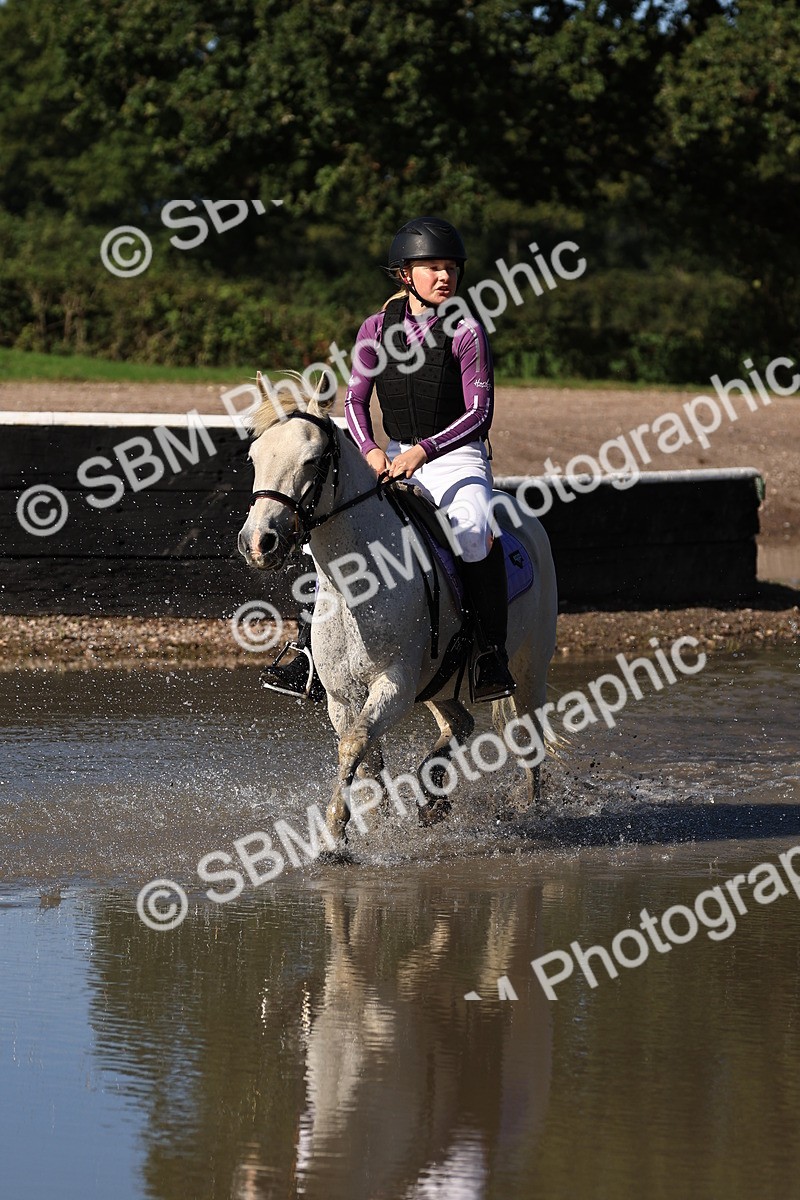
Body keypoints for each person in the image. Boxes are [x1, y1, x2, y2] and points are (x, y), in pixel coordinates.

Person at [260, 215, 515, 702]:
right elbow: (355, 403)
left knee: (472, 529)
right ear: (405, 275)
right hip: (391, 456)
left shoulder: (467, 331)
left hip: (456, 459)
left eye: (451, 269)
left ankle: (491, 655)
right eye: (433, 267)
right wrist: (373, 451)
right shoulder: (375, 329)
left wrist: (424, 451)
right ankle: (311, 656)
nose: (445, 277)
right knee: (325, 538)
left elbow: (480, 413)